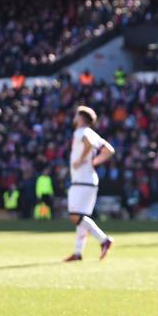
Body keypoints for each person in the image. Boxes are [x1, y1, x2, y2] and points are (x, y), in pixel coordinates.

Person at [64, 106, 116, 262]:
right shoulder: (93, 133)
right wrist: (94, 161)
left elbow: (87, 145)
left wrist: (81, 160)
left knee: (75, 216)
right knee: (82, 218)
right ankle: (78, 253)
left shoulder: (81, 132)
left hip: (81, 180)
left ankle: (103, 239)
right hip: (90, 180)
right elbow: (109, 150)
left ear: (81, 118)